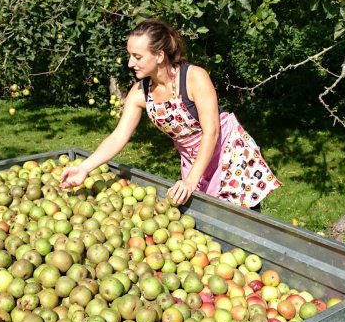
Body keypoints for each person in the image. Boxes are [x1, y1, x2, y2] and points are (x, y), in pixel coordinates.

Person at [60, 19, 281, 210]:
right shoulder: (140, 93)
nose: (130, 63)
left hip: (228, 154)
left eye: (137, 57)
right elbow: (118, 137)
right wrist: (84, 168)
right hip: (194, 160)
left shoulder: (193, 78)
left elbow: (212, 132)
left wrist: (191, 180)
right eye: (129, 56)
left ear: (159, 55)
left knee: (244, 222)